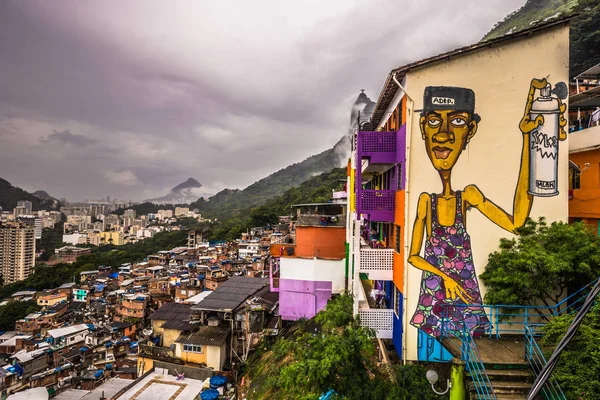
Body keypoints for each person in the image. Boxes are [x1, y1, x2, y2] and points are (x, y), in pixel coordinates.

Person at [408, 80, 566, 337]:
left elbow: (516, 222)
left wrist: (528, 139)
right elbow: (413, 256)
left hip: (466, 303)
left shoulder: (469, 196)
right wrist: (445, 277)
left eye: (457, 122)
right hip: (433, 304)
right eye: (435, 121)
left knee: (467, 356)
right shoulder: (426, 201)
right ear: (423, 127)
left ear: (470, 131)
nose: (443, 134)